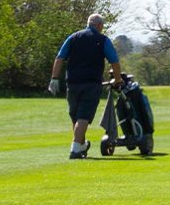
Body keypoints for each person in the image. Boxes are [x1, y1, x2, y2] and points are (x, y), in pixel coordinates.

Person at [49, 13, 122, 159]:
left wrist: (54, 78)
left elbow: (60, 58)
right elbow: (114, 61)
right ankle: (75, 150)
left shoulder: (73, 37)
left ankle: (81, 145)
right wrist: (118, 79)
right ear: (99, 26)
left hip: (73, 83)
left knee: (75, 117)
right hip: (91, 83)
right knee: (83, 117)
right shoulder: (103, 40)